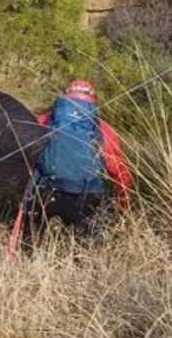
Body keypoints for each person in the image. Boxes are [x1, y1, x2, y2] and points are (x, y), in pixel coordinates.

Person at [20, 79, 133, 247]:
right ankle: (81, 266)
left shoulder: (46, 120)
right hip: (86, 194)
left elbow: (26, 153)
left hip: (46, 189)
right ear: (94, 104)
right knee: (84, 247)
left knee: (32, 242)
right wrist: (122, 206)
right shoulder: (104, 131)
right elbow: (121, 173)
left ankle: (29, 260)